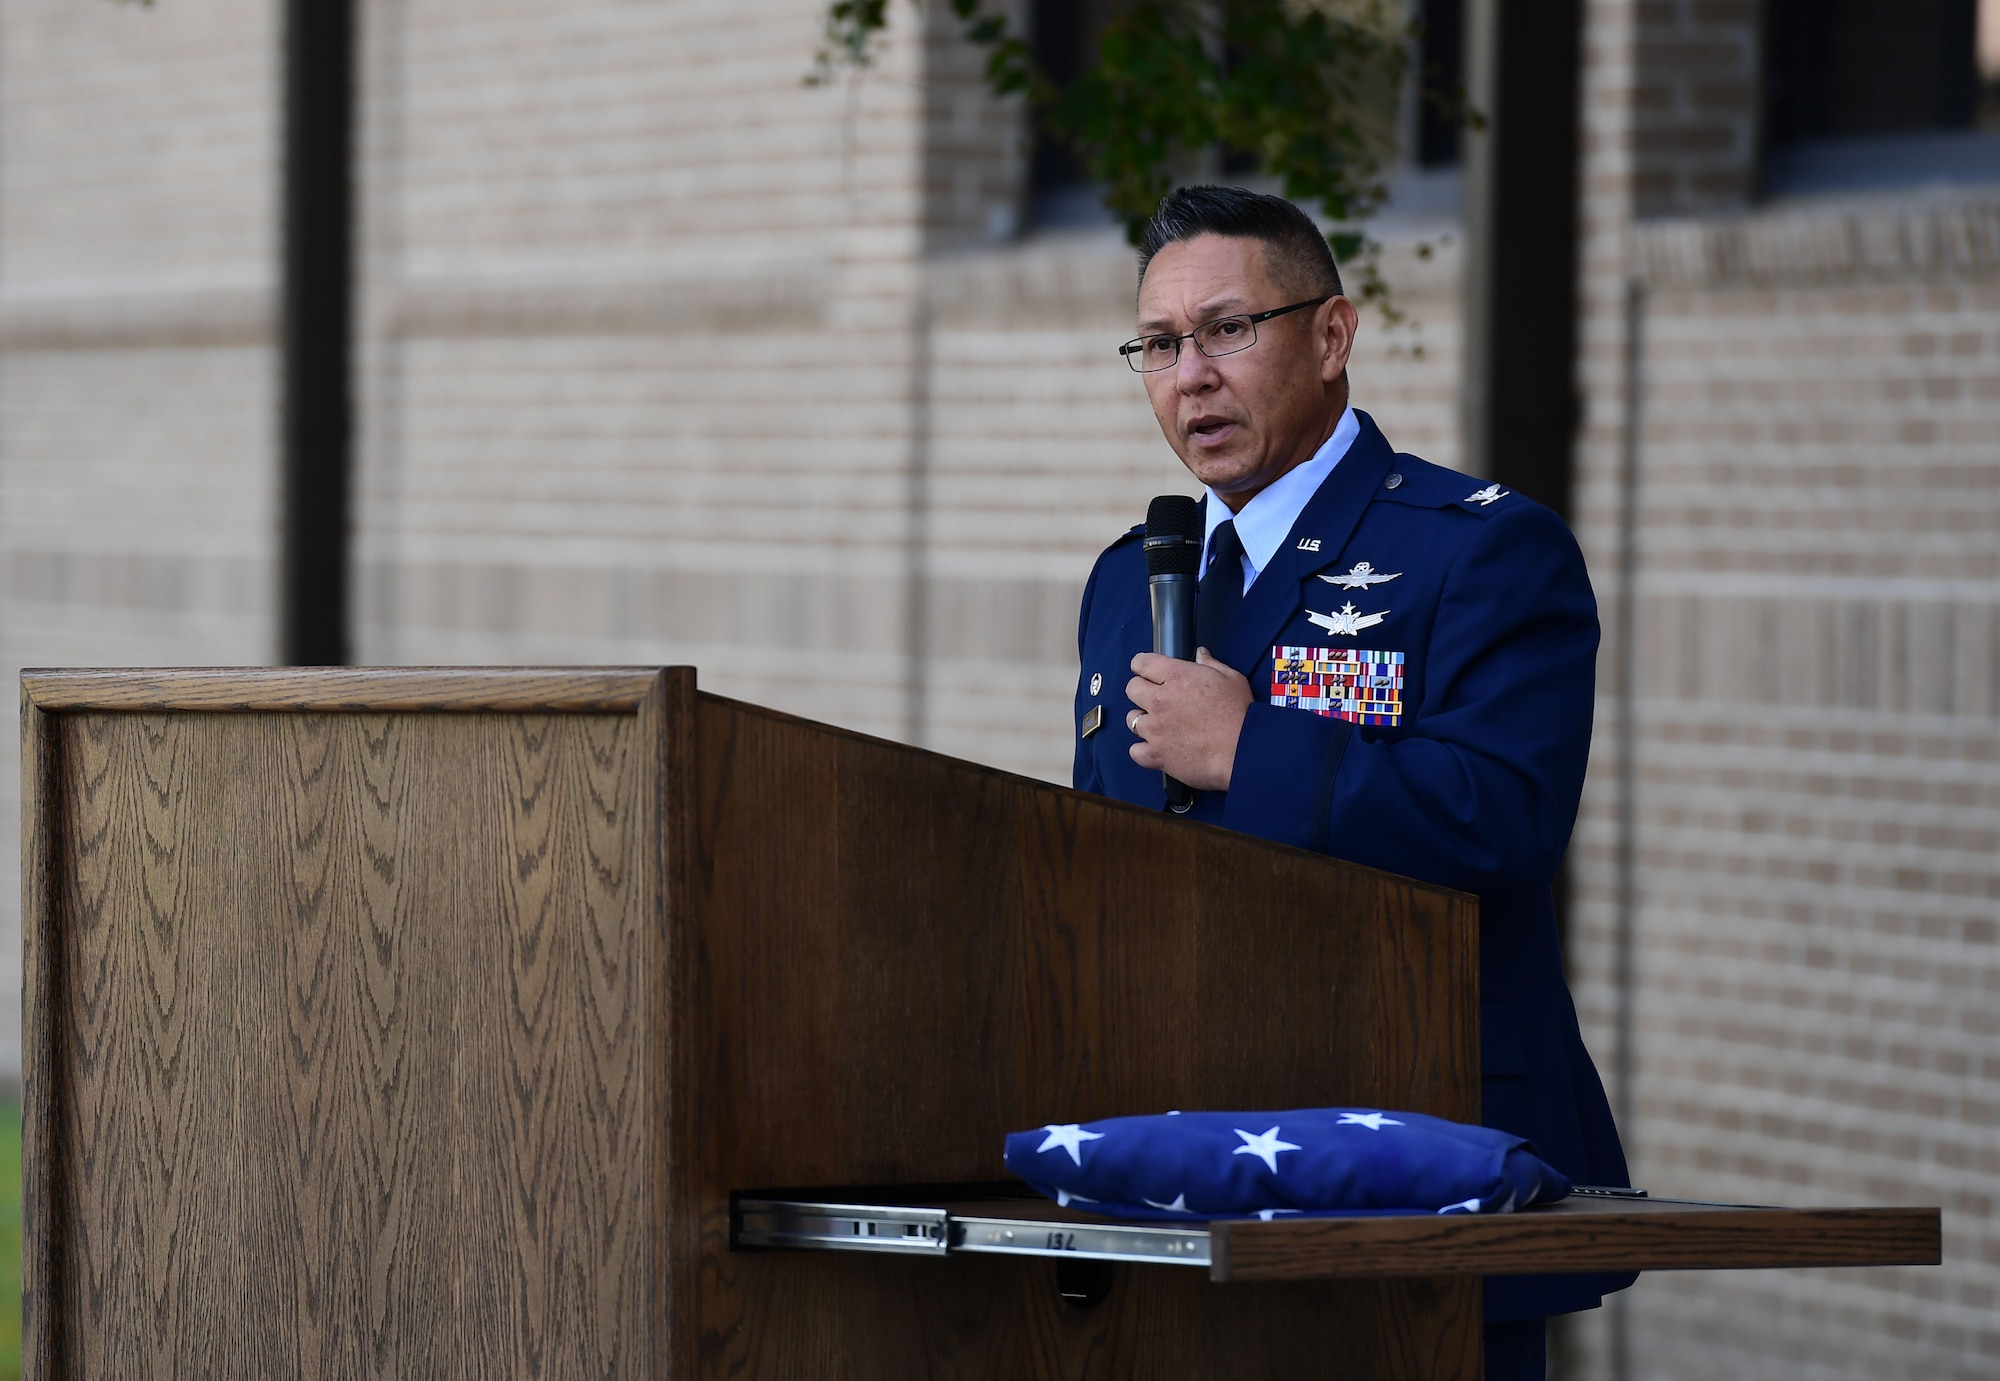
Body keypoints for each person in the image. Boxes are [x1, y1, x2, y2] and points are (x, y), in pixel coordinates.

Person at [1071, 184, 1632, 1379]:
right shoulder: (1131, 579)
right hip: (1182, 1154)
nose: (1190, 375)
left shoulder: (1475, 547)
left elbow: (1506, 819)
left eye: (1226, 329)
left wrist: (1249, 747)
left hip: (1413, 1143)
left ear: (1330, 336)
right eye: (1159, 344)